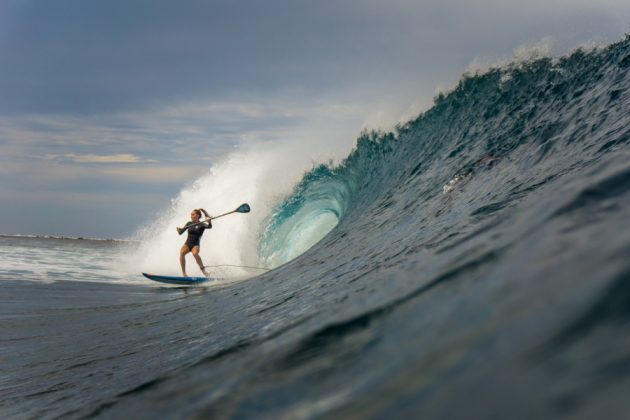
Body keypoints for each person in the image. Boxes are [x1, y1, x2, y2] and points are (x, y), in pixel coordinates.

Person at [177, 208, 212, 277]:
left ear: (197, 215)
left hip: (195, 245)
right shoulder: (189, 223)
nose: (191, 216)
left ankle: (204, 272)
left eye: (193, 214)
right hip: (187, 244)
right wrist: (179, 230)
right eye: (191, 215)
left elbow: (209, 226)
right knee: (182, 253)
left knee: (195, 253)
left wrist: (209, 221)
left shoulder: (202, 224)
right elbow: (181, 232)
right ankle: (184, 274)